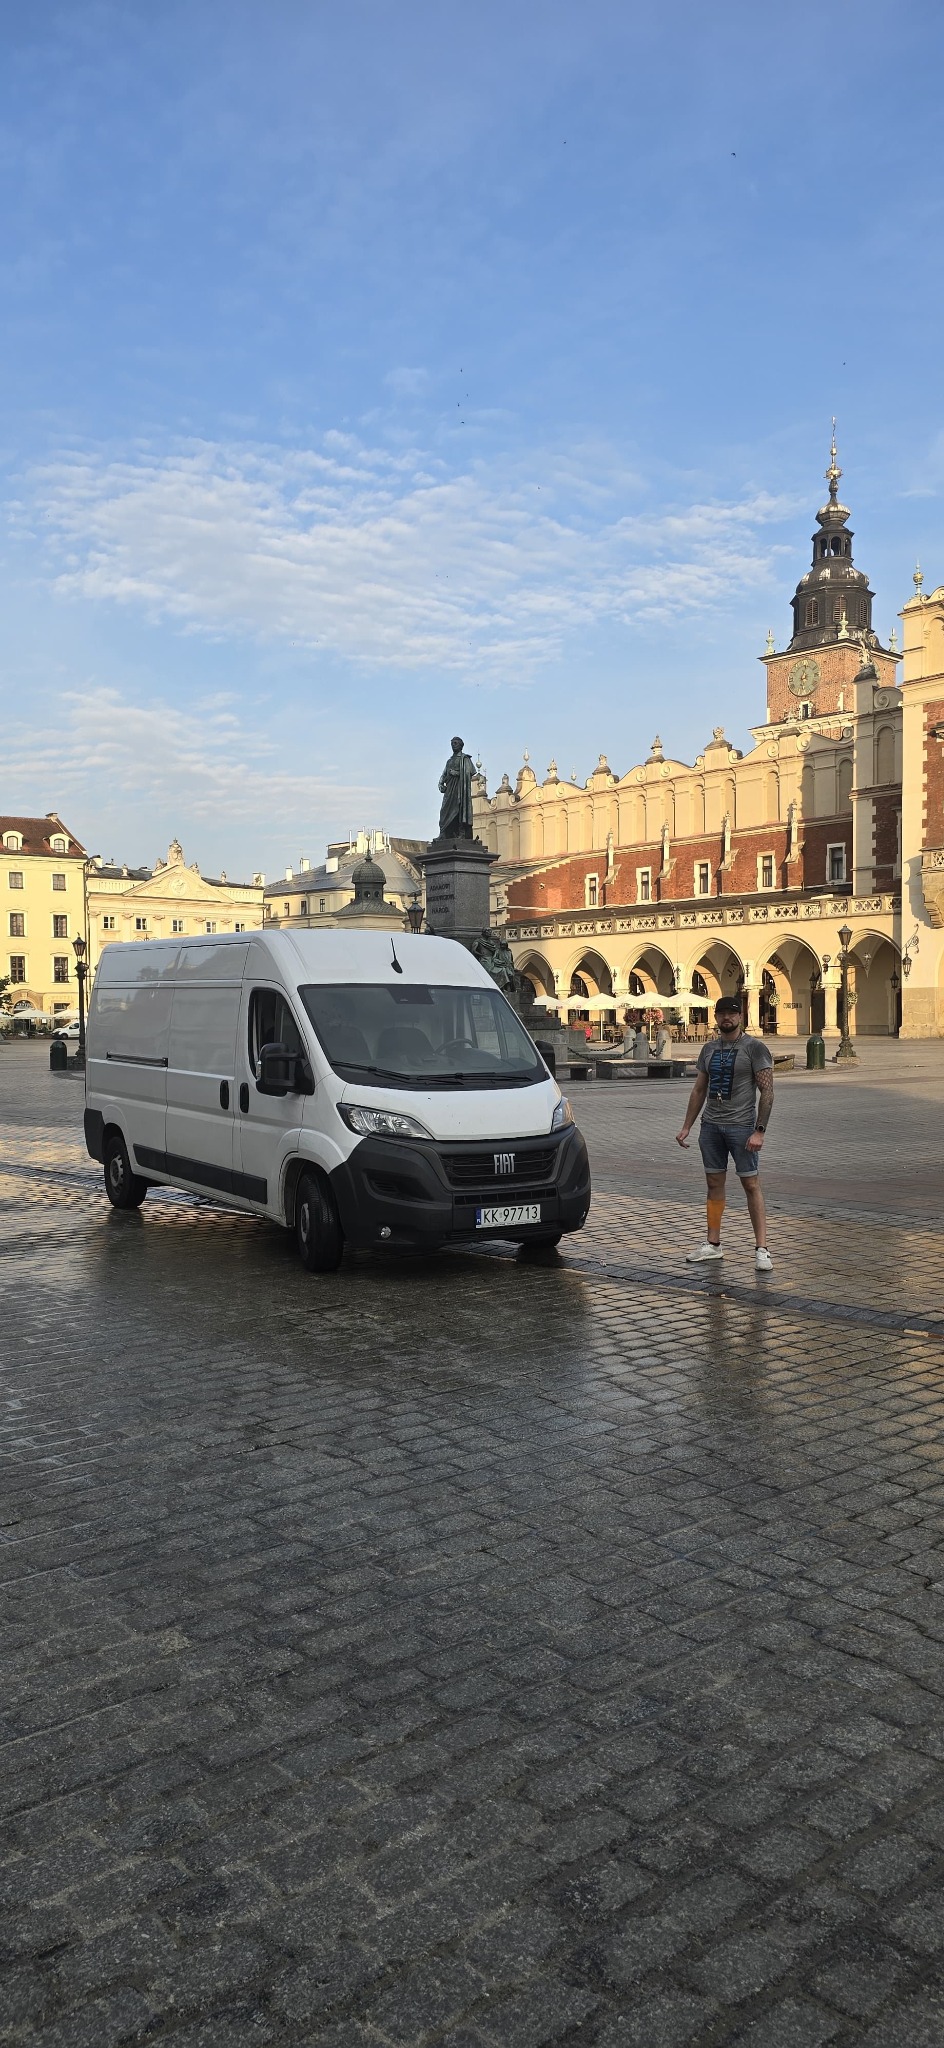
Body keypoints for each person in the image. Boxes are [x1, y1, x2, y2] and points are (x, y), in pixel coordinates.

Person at [675, 995, 774, 1271]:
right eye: (722, 1014)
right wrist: (687, 1126)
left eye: (732, 1013)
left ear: (740, 1017)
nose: (726, 1018)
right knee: (714, 1184)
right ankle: (713, 1244)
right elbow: (699, 1089)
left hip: (742, 1128)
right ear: (716, 1017)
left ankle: (762, 1249)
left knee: (751, 1185)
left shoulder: (755, 1049)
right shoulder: (708, 1049)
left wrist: (760, 1131)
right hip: (711, 1127)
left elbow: (767, 1091)